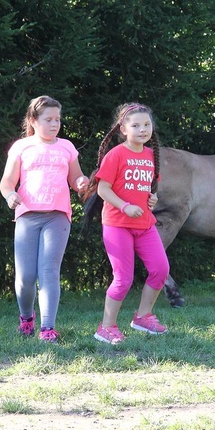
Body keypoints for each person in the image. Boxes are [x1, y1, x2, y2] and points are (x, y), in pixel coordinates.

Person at [0, 96, 88, 342]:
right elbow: (7, 182)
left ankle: (48, 328)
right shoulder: (21, 147)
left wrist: (81, 183)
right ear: (33, 120)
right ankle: (26, 318)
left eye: (57, 119)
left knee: (49, 271)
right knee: (26, 277)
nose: (54, 124)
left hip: (57, 217)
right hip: (27, 215)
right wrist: (10, 196)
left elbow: (76, 178)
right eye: (48, 119)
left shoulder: (67, 148)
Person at [83, 102, 170, 344]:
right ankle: (106, 327)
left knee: (161, 269)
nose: (142, 129)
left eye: (146, 124)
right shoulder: (116, 154)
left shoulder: (152, 156)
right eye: (136, 125)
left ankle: (143, 316)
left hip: (145, 224)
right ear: (123, 129)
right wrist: (124, 206)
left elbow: (147, 188)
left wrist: (152, 198)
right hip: (117, 225)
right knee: (123, 279)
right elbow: (102, 189)